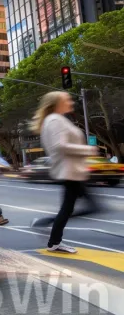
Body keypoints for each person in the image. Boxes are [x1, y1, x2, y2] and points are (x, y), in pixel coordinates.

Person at [32, 91, 99, 254]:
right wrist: (87, 149)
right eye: (66, 99)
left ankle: (51, 234)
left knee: (75, 207)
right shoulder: (55, 120)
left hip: (73, 171)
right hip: (69, 171)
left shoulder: (58, 119)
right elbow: (59, 146)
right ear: (57, 103)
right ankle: (52, 238)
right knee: (82, 207)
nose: (71, 101)